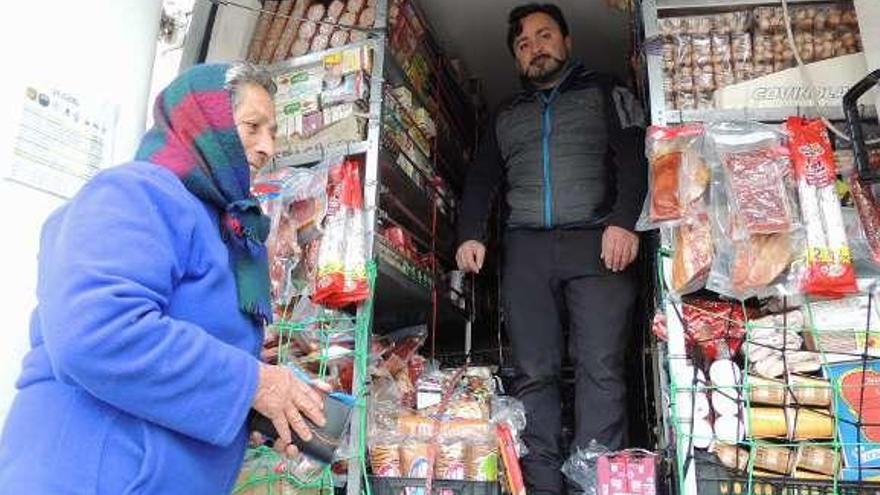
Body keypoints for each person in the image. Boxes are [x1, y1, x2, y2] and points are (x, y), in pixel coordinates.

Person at [0, 62, 326, 494]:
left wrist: (258, 410)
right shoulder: (136, 192)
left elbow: (193, 359)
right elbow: (96, 332)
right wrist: (253, 384)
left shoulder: (224, 229)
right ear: (205, 122)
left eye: (273, 132)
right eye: (253, 127)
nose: (267, 147)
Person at [455, 4, 647, 494]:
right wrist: (470, 233)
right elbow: (481, 179)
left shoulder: (607, 91)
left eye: (543, 36)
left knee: (600, 366)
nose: (534, 48)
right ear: (517, 59)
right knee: (534, 372)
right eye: (523, 44)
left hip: (598, 242)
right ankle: (542, 486)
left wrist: (625, 223)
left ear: (566, 41)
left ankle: (594, 486)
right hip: (527, 251)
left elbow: (636, 156)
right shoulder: (505, 114)